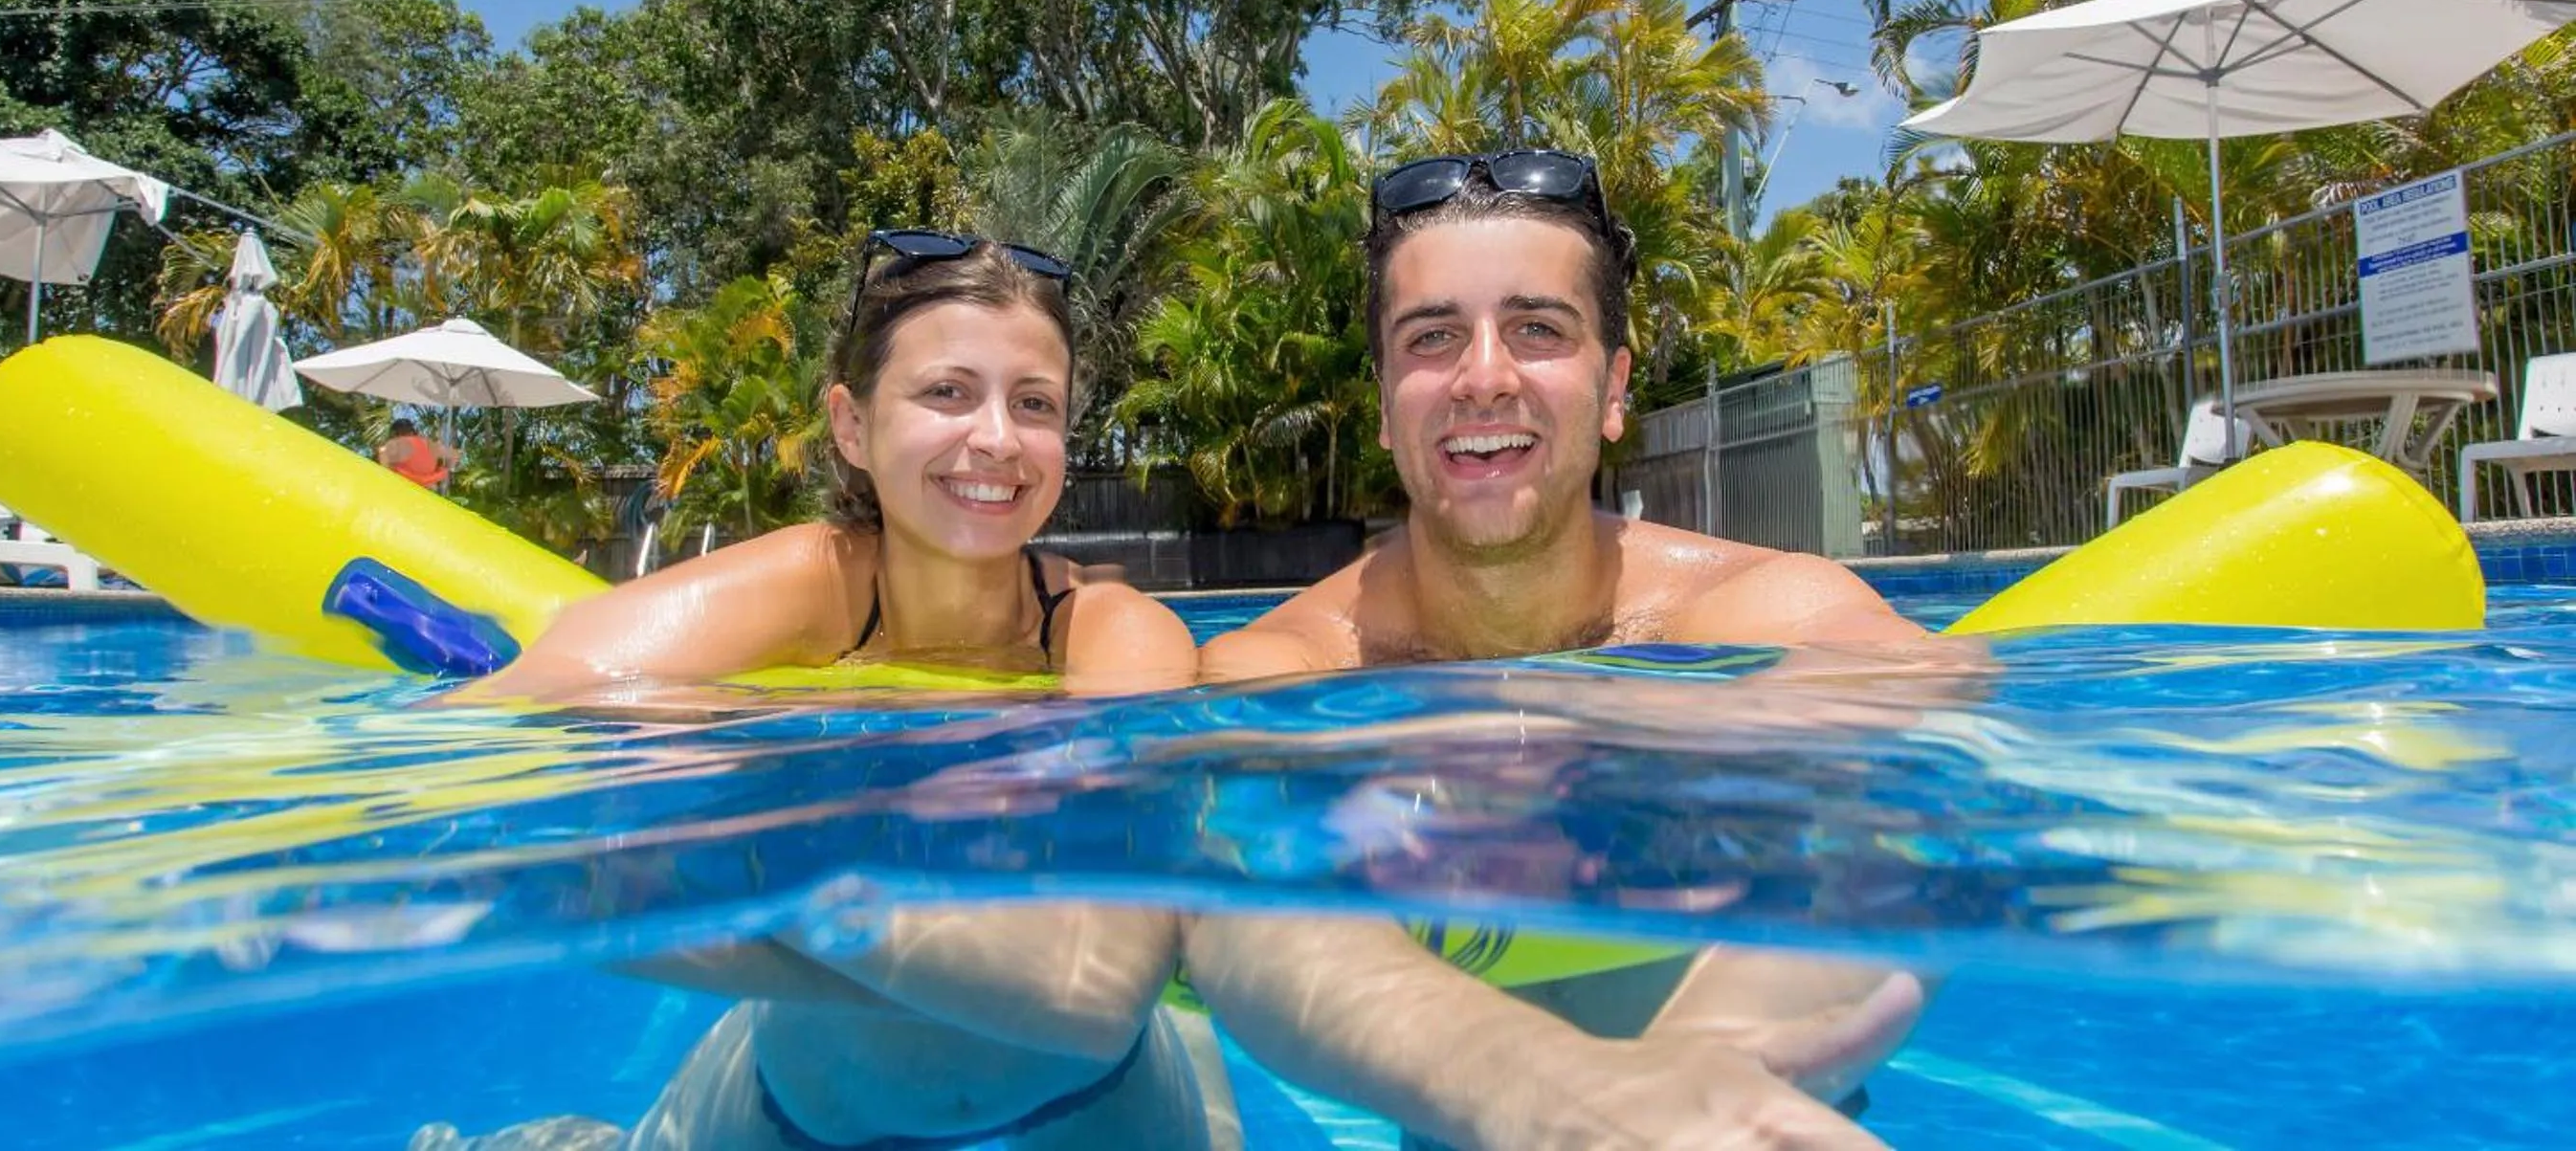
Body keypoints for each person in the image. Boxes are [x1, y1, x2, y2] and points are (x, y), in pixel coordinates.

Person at [1186, 150, 1943, 1150]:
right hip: (1481, 1106)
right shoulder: (1282, 665)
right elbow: (1231, 910)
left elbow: (1932, 796)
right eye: (1432, 337)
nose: (1484, 376)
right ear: (1380, 403)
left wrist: (1684, 1086)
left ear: (1615, 385)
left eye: (1537, 328)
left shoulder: (1757, 612)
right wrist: (1546, 1095)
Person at [426, 232, 1222, 1151]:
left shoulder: (1114, 631)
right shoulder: (792, 594)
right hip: (794, 1122)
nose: (997, 438)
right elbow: (495, 750)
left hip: (1098, 1112)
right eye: (947, 391)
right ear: (852, 423)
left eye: (1033, 402)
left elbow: (1098, 985)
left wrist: (752, 881)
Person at [379, 417, 459, 492]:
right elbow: (455, 455)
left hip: (403, 484)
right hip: (427, 487)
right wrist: (442, 470)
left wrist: (388, 471)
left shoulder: (398, 443)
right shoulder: (429, 444)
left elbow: (382, 451)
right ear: (413, 431)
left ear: (395, 433)